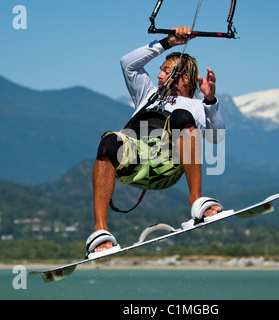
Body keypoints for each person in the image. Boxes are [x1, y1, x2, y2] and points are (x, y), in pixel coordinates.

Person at [86, 27, 225, 257]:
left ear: (185, 78)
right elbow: (127, 63)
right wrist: (167, 43)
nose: (159, 76)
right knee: (109, 141)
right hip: (135, 164)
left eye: (165, 71)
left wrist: (210, 100)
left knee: (181, 116)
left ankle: (197, 201)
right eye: (159, 71)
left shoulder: (197, 107)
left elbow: (217, 137)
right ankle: (100, 231)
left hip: (167, 165)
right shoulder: (147, 94)